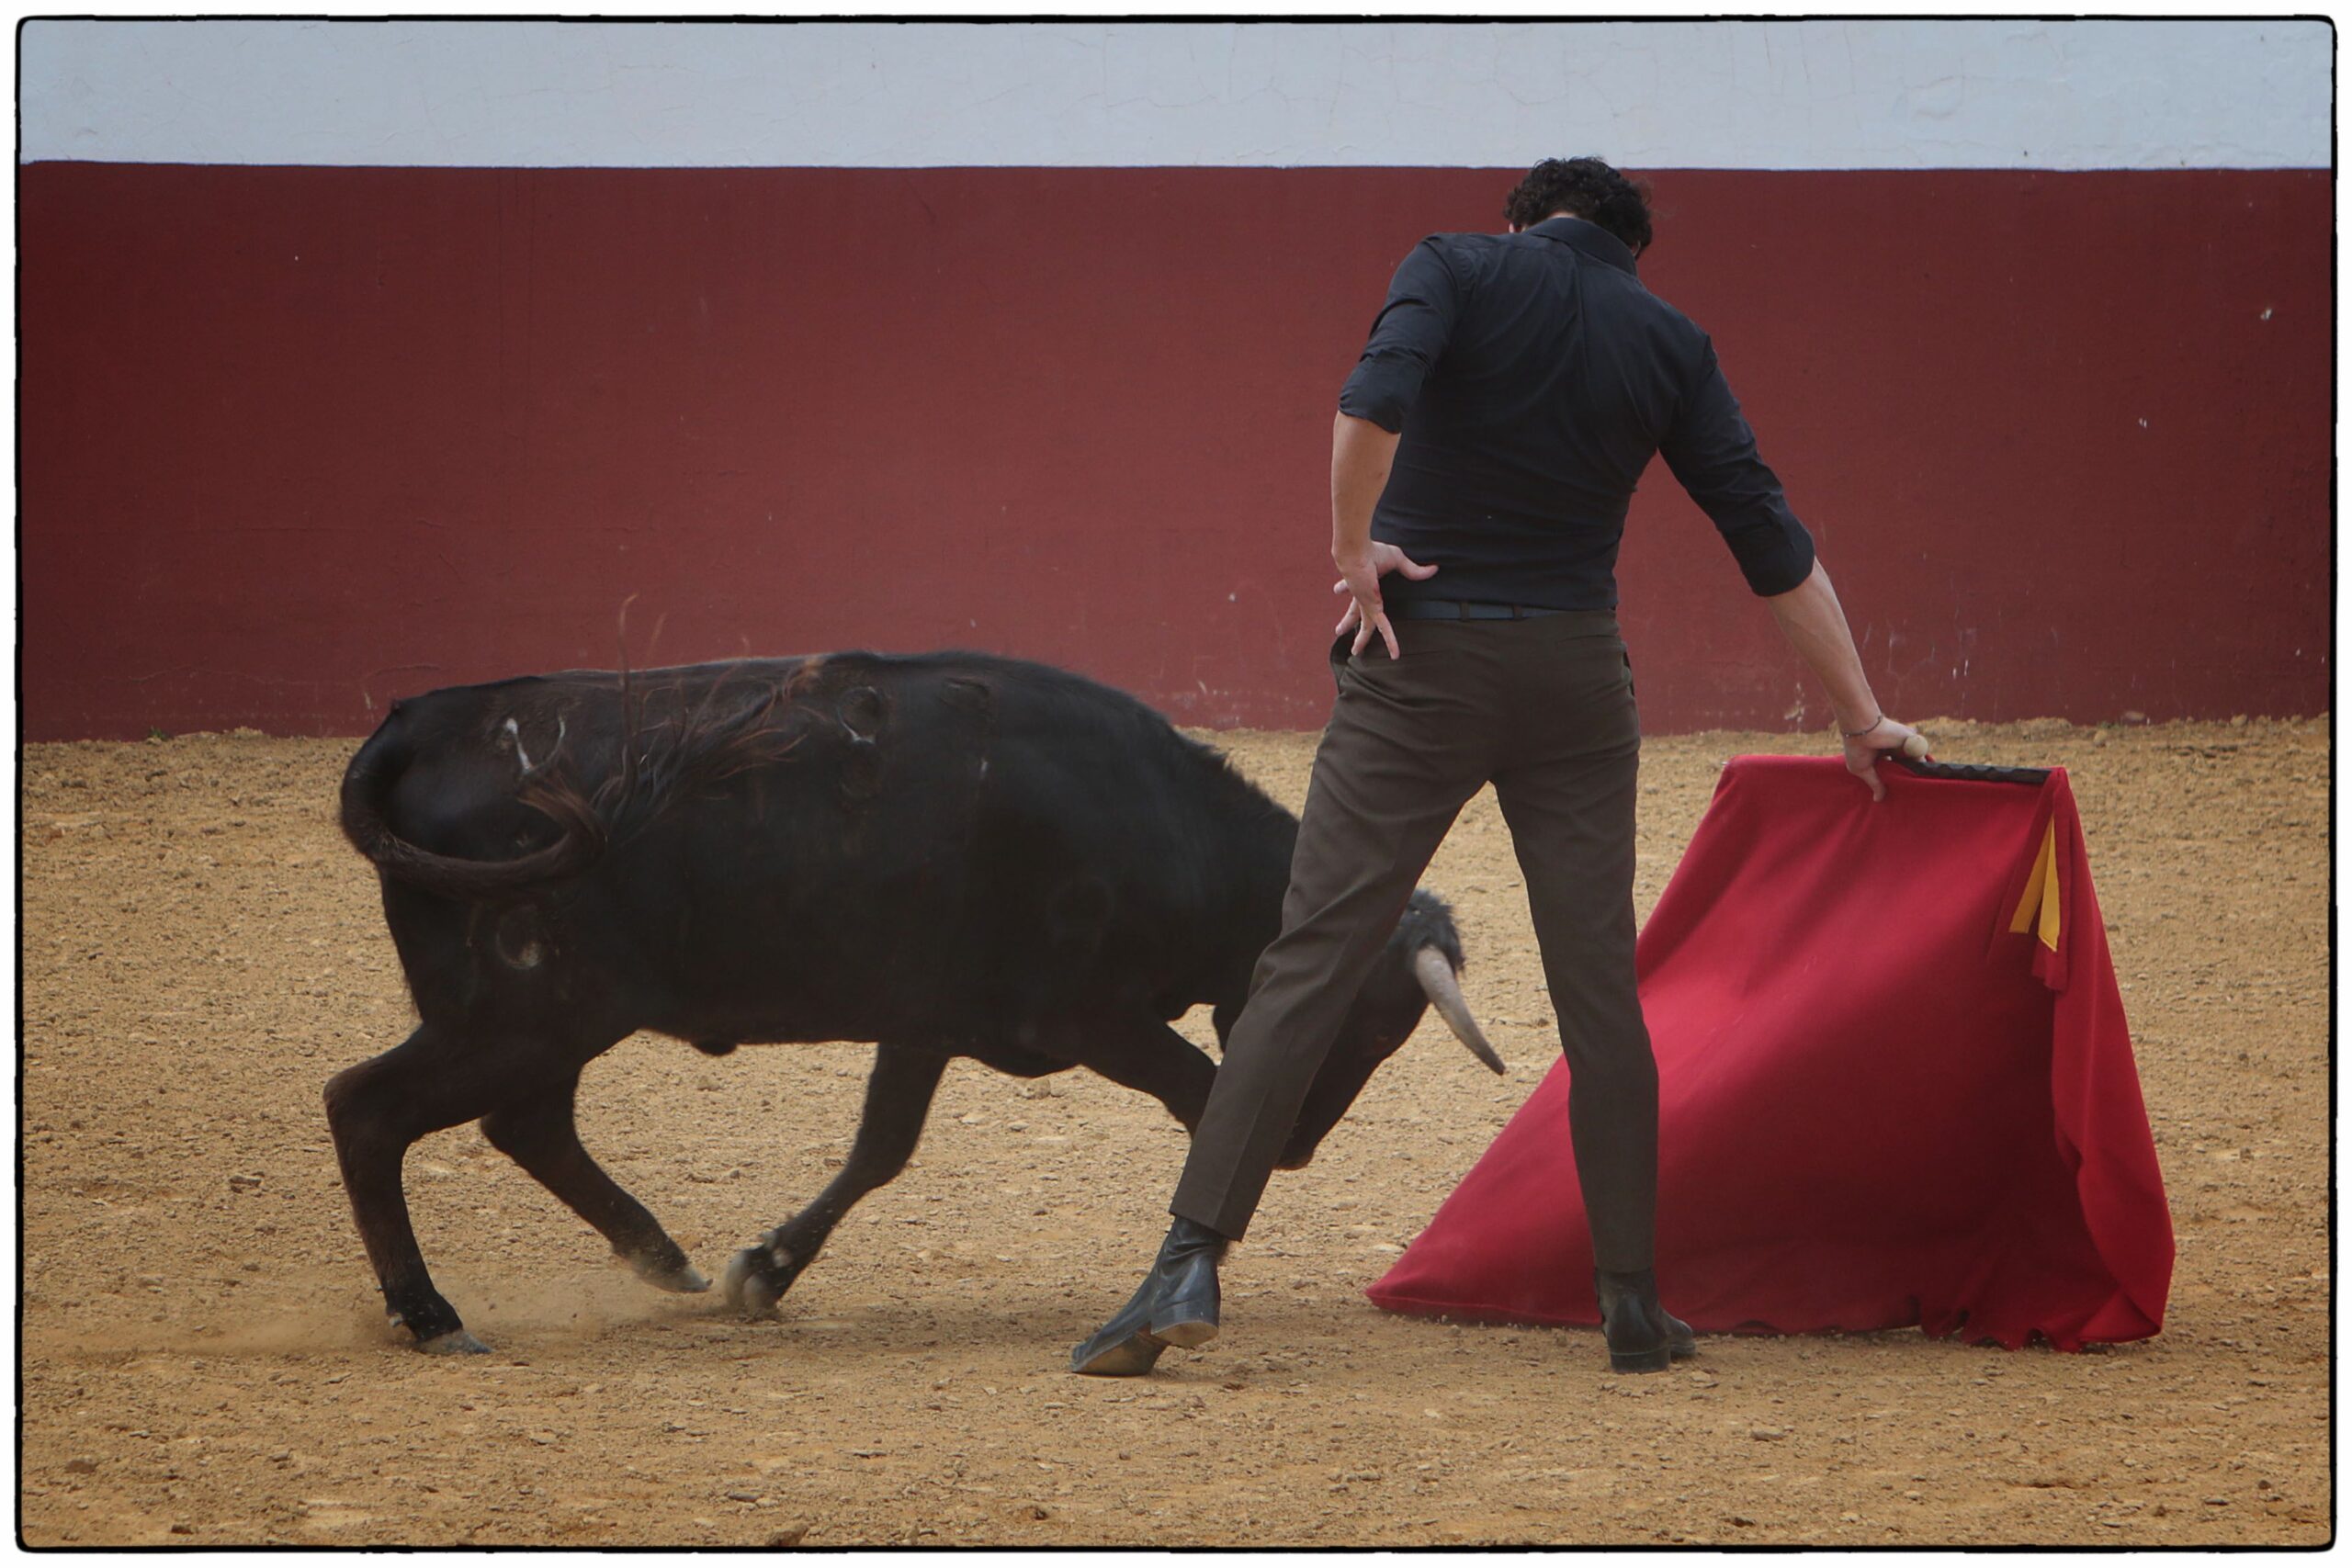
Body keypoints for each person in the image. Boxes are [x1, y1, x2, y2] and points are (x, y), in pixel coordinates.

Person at [1070, 156, 1921, 1377]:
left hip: (1422, 662)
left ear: (1521, 219)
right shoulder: (1668, 336)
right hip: (1577, 678)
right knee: (1600, 989)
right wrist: (1861, 716)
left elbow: (1371, 405)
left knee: (1310, 956)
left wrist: (1354, 553)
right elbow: (1766, 534)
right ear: (1629, 250)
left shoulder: (1457, 262)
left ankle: (1188, 1262)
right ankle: (1632, 1300)